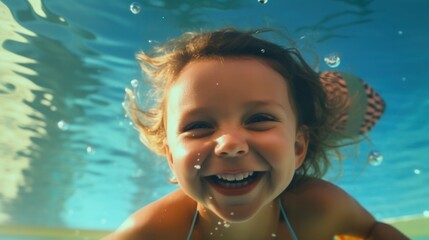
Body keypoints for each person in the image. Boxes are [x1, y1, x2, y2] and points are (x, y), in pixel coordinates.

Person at [104, 28, 408, 240]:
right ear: (171, 156)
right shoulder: (153, 232)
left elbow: (370, 231)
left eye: (260, 119)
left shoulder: (318, 208)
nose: (230, 144)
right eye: (198, 126)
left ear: (298, 146)